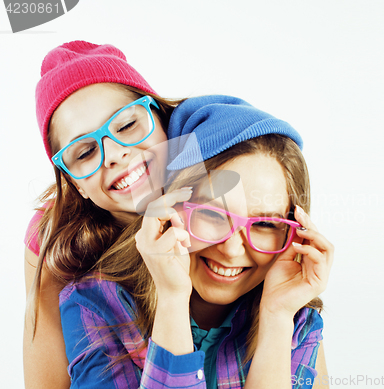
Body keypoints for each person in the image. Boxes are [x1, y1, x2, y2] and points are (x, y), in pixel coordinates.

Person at [58, 97, 334, 388]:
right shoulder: (95, 306)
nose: (231, 249)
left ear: (295, 233)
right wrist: (171, 299)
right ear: (167, 209)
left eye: (266, 224)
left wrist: (276, 318)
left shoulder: (295, 320)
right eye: (211, 214)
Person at [24, 40, 254, 388]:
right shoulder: (53, 240)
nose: (115, 153)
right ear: (75, 184)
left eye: (127, 125)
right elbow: (46, 379)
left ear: (161, 119)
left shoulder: (212, 171)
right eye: (85, 151)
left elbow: (268, 141)